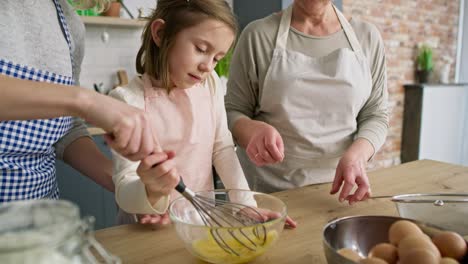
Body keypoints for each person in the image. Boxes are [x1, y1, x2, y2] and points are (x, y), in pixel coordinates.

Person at [109, 0, 297, 227]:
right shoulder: (127, 101)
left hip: (199, 222)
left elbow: (223, 149)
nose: (208, 66)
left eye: (217, 58)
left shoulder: (210, 85)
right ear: (160, 33)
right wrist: (151, 192)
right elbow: (124, 189)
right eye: (200, 49)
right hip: (145, 230)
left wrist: (247, 205)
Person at [225, 0, 389, 205]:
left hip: (341, 194)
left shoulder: (367, 37)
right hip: (267, 196)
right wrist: (250, 130)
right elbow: (232, 112)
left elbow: (376, 115)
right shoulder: (258, 35)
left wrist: (358, 155)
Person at [0, 0, 155, 202]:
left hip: (41, 219)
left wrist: (131, 188)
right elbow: (77, 103)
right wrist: (86, 101)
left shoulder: (70, 23)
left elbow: (68, 128)